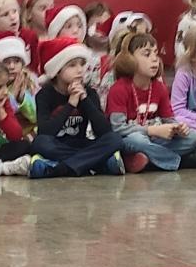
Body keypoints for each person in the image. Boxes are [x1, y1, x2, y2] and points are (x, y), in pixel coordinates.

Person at [30, 37, 125, 178]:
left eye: (82, 64)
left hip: (82, 144)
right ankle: (96, 163)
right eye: (72, 65)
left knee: (115, 139)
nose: (80, 70)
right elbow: (45, 132)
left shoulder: (89, 92)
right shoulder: (45, 95)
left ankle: (61, 168)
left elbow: (104, 130)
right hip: (57, 145)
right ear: (57, 70)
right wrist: (70, 105)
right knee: (40, 143)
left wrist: (84, 99)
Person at [106, 32, 196, 171]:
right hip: (130, 139)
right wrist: (153, 130)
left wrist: (178, 129)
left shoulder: (159, 87)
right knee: (137, 140)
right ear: (129, 59)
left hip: (153, 139)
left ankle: (144, 160)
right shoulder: (119, 88)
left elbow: (169, 120)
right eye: (146, 54)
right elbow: (118, 128)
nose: (154, 59)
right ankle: (174, 162)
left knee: (192, 138)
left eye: (156, 54)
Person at [0, 34, 37, 142]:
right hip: (2, 133)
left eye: (16, 61)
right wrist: (13, 95)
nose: (12, 66)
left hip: (28, 131)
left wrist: (22, 97)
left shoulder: (31, 81)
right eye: (6, 62)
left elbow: (35, 116)